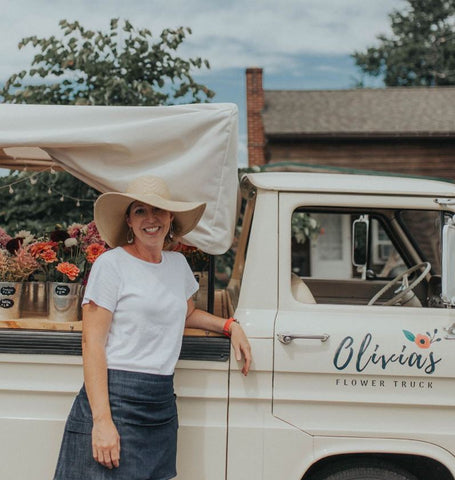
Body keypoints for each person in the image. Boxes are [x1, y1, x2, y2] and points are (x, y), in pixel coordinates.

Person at [54, 175, 251, 480]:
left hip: (160, 401)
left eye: (158, 210)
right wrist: (102, 422)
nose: (151, 219)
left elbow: (185, 313)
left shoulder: (177, 266)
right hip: (116, 398)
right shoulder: (111, 265)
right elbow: (91, 344)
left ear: (170, 218)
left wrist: (229, 325)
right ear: (129, 222)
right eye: (140, 211)